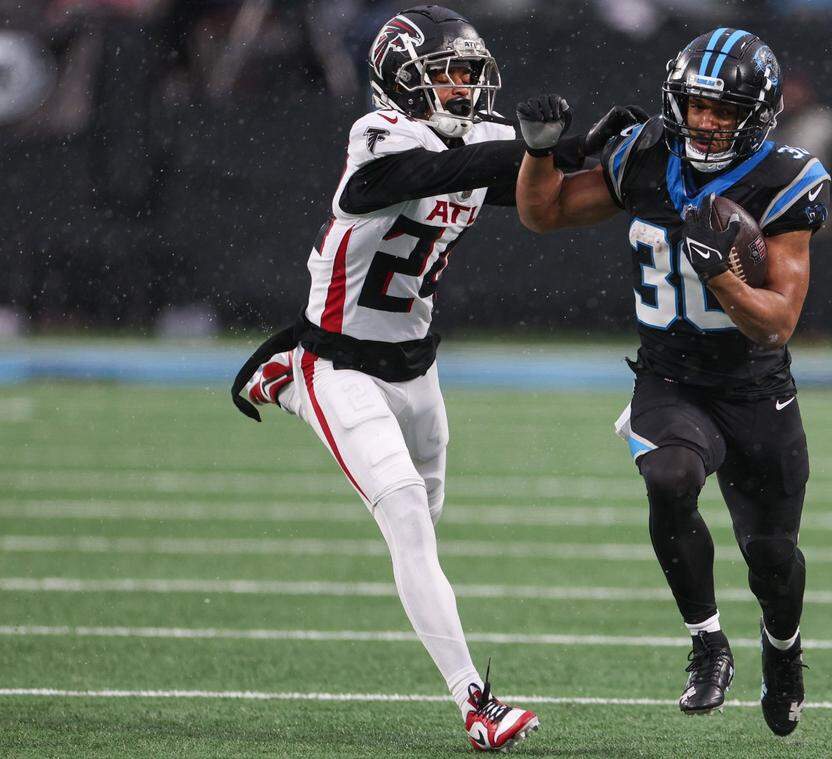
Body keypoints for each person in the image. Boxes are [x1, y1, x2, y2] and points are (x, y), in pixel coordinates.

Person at [230, 5, 640, 751]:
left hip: (417, 367)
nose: (461, 88)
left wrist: (588, 151)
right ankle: (476, 703)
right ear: (400, 80)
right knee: (408, 522)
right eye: (445, 74)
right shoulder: (380, 134)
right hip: (340, 359)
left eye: (468, 74)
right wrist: (540, 148)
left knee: (431, 517)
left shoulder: (481, 136)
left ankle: (283, 379)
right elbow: (435, 171)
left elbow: (520, 179)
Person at [513, 28, 830, 737]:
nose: (706, 121)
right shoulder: (650, 153)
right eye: (695, 104)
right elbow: (545, 211)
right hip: (670, 375)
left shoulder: (788, 178)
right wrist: (541, 151)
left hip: (753, 385)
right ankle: (707, 641)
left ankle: (782, 652)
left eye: (722, 108)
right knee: (669, 475)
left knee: (773, 559)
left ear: (759, 111)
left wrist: (720, 273)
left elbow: (776, 323)